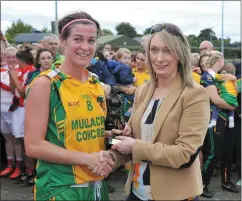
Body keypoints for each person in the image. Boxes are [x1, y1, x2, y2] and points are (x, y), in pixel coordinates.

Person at [107, 23, 210, 200]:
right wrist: (111, 145)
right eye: (154, 50)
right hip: (136, 192)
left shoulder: (195, 94)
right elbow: (134, 139)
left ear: (180, 54)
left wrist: (134, 146)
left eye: (167, 50)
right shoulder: (143, 90)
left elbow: (185, 155)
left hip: (175, 195)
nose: (159, 58)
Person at [24, 11, 115, 201]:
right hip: (61, 189)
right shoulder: (46, 84)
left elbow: (76, 132)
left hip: (97, 187)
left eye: (91, 40)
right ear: (63, 41)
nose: (85, 46)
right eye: (78, 39)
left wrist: (109, 136)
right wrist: (86, 159)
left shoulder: (95, 83)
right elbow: (33, 146)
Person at [200, 51, 239, 198]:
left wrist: (234, 79)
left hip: (227, 118)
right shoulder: (207, 77)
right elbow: (215, 99)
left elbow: (234, 92)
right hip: (214, 118)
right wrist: (231, 108)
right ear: (219, 59)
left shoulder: (223, 76)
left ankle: (226, 181)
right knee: (214, 152)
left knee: (228, 151)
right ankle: (203, 184)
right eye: (223, 59)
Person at [8, 45, 35, 180]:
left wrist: (14, 77)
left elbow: (24, 93)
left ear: (20, 60)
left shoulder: (30, 71)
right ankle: (26, 168)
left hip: (26, 109)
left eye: (15, 59)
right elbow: (13, 91)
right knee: (21, 140)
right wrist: (11, 77)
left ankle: (31, 171)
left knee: (27, 141)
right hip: (17, 108)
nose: (14, 62)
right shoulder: (18, 71)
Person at [0, 47, 19, 178]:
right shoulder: (1, 71)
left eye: (13, 57)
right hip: (2, 110)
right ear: (4, 58)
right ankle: (9, 164)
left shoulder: (20, 71)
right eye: (8, 57)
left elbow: (11, 88)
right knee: (7, 138)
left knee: (17, 139)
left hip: (14, 109)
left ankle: (19, 166)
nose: (11, 59)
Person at [207, 62, 238, 129]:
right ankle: (231, 120)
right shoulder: (233, 80)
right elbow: (237, 90)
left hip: (225, 97)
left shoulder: (223, 77)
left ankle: (213, 121)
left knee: (217, 107)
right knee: (231, 108)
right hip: (233, 98)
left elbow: (214, 75)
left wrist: (209, 70)